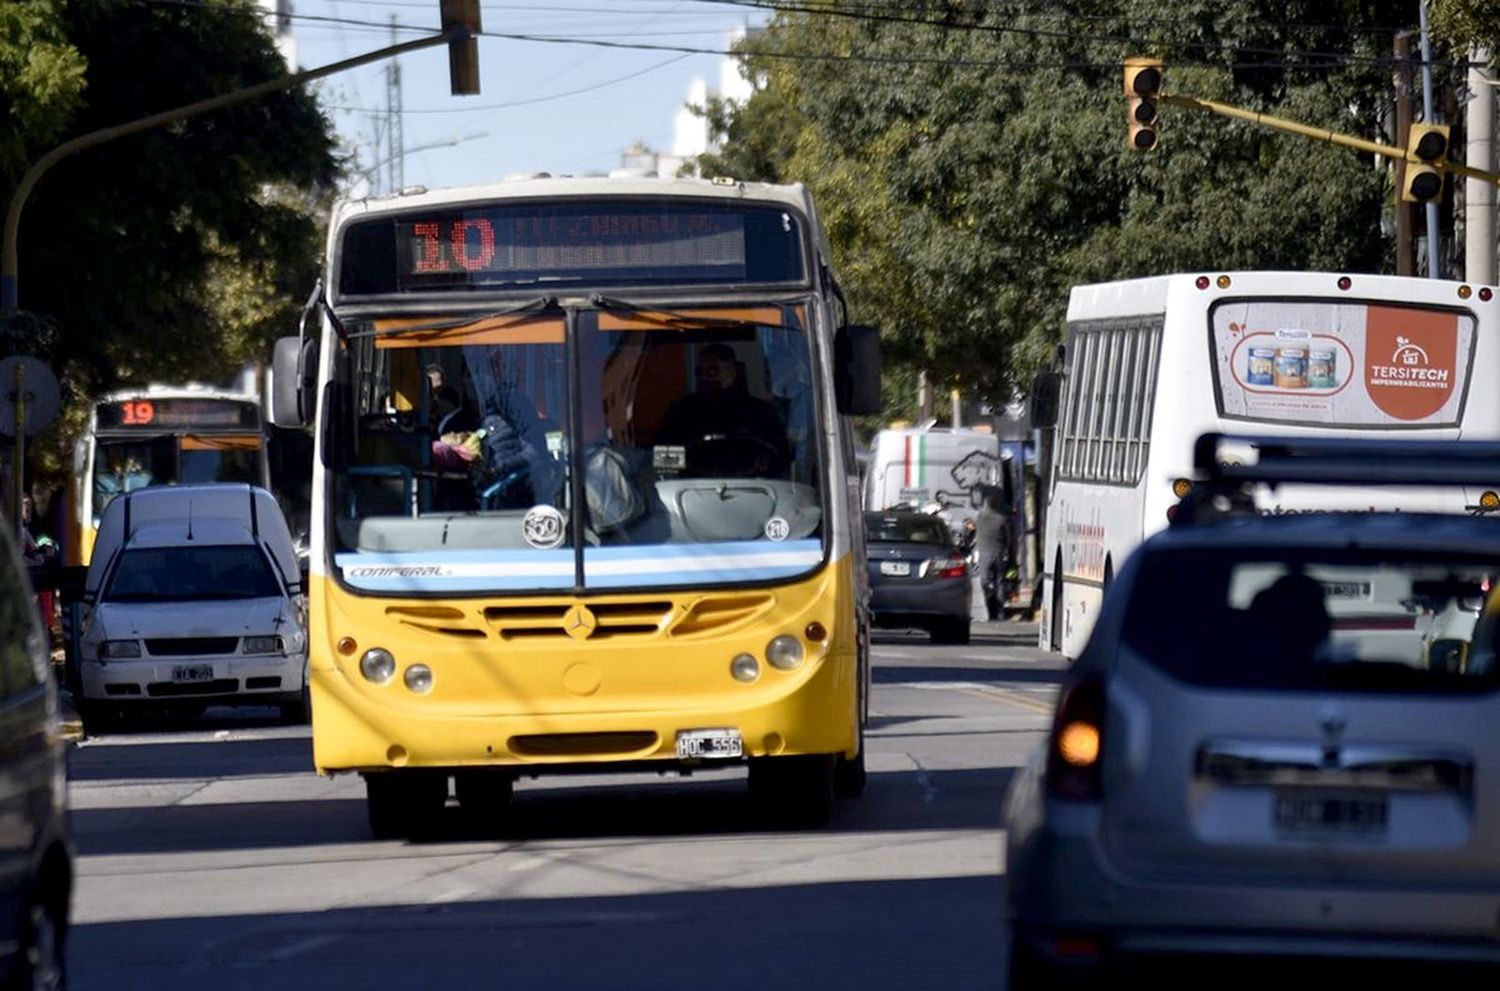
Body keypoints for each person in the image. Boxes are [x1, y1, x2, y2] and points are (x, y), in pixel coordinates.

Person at [656, 343, 790, 477]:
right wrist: (687, 464)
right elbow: (663, 460)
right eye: (699, 372)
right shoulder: (679, 412)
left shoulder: (760, 412)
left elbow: (781, 457)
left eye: (713, 371)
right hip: (690, 490)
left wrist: (763, 462)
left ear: (732, 371)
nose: (705, 377)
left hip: (751, 488)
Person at [972, 492, 1011, 622]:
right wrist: (1006, 549)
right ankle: (1000, 612)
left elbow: (974, 530)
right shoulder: (1001, 519)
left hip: (984, 553)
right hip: (998, 552)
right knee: (1000, 581)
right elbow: (1008, 538)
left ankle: (989, 606)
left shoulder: (980, 518)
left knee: (984, 581)